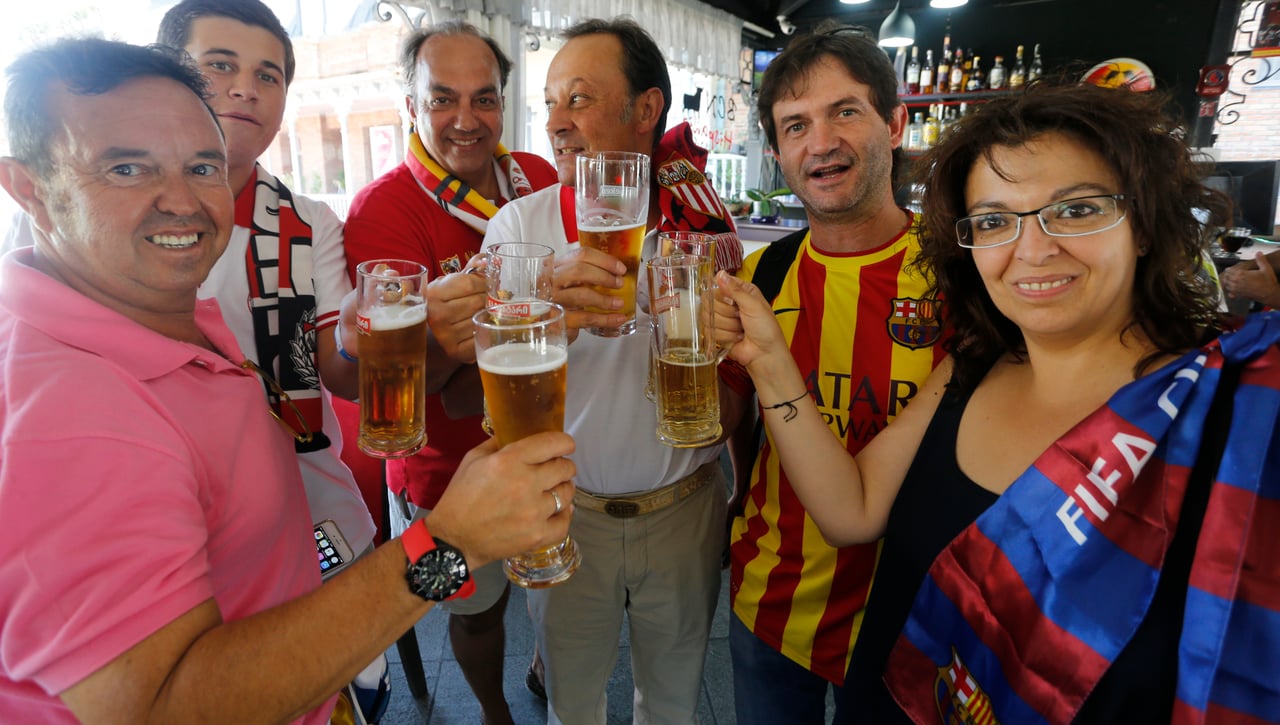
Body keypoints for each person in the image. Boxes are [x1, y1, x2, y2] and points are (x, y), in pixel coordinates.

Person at [0, 36, 576, 723]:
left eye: (203, 165)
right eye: (126, 168)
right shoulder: (62, 414)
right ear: (28, 188)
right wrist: (448, 545)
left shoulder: (160, 319)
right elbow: (158, 708)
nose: (181, 200)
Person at [716, 81, 1280, 722]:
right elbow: (850, 510)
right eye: (993, 220)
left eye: (1075, 210)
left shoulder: (1235, 418)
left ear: (1144, 222)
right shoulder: (970, 367)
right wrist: (767, 360)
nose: (1032, 248)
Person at [480, 18, 743, 725]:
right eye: (550, 103)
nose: (556, 123)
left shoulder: (703, 228)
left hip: (685, 506)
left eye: (579, 99)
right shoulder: (517, 228)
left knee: (675, 700)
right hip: (570, 512)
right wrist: (551, 312)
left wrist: (696, 345)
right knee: (572, 699)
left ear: (647, 108)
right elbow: (490, 388)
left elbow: (740, 399)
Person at [713, 23, 944, 724]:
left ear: (895, 122)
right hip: (772, 601)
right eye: (795, 124)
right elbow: (725, 428)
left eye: (845, 111)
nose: (821, 142)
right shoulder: (764, 273)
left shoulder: (961, 276)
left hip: (915, 619)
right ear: (778, 151)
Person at [340, 21, 559, 725]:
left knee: (554, 581)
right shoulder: (382, 210)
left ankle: (540, 664)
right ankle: (494, 711)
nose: (466, 121)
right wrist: (461, 337)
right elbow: (408, 383)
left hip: (541, 430)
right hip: (445, 469)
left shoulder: (540, 177)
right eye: (442, 99)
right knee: (472, 607)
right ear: (410, 104)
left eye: (484, 98)